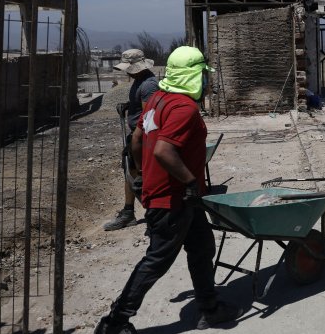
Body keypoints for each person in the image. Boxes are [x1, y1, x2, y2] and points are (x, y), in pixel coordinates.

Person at [95, 46, 241, 334]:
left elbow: (137, 138)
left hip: (181, 197)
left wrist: (140, 172)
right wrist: (188, 182)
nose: (205, 81)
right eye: (202, 75)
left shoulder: (158, 99)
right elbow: (163, 150)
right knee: (156, 260)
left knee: (201, 248)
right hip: (174, 198)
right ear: (193, 76)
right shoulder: (184, 108)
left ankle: (209, 309)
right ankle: (114, 322)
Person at [102, 49, 158, 231]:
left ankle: (154, 215)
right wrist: (128, 106)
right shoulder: (139, 81)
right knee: (129, 171)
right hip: (136, 135)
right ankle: (128, 212)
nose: (127, 71)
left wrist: (136, 139)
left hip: (141, 137)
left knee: (141, 176)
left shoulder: (148, 85)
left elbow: (147, 116)